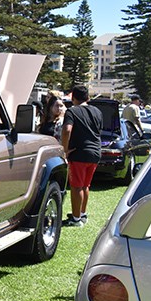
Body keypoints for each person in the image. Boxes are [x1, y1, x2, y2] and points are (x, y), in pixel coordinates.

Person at [61, 85, 103, 227]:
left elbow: (67, 130)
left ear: (73, 98)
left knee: (76, 186)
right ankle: (82, 213)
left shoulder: (72, 112)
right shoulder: (97, 111)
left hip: (79, 153)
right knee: (85, 185)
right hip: (96, 152)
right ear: (88, 98)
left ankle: (76, 218)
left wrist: (65, 150)